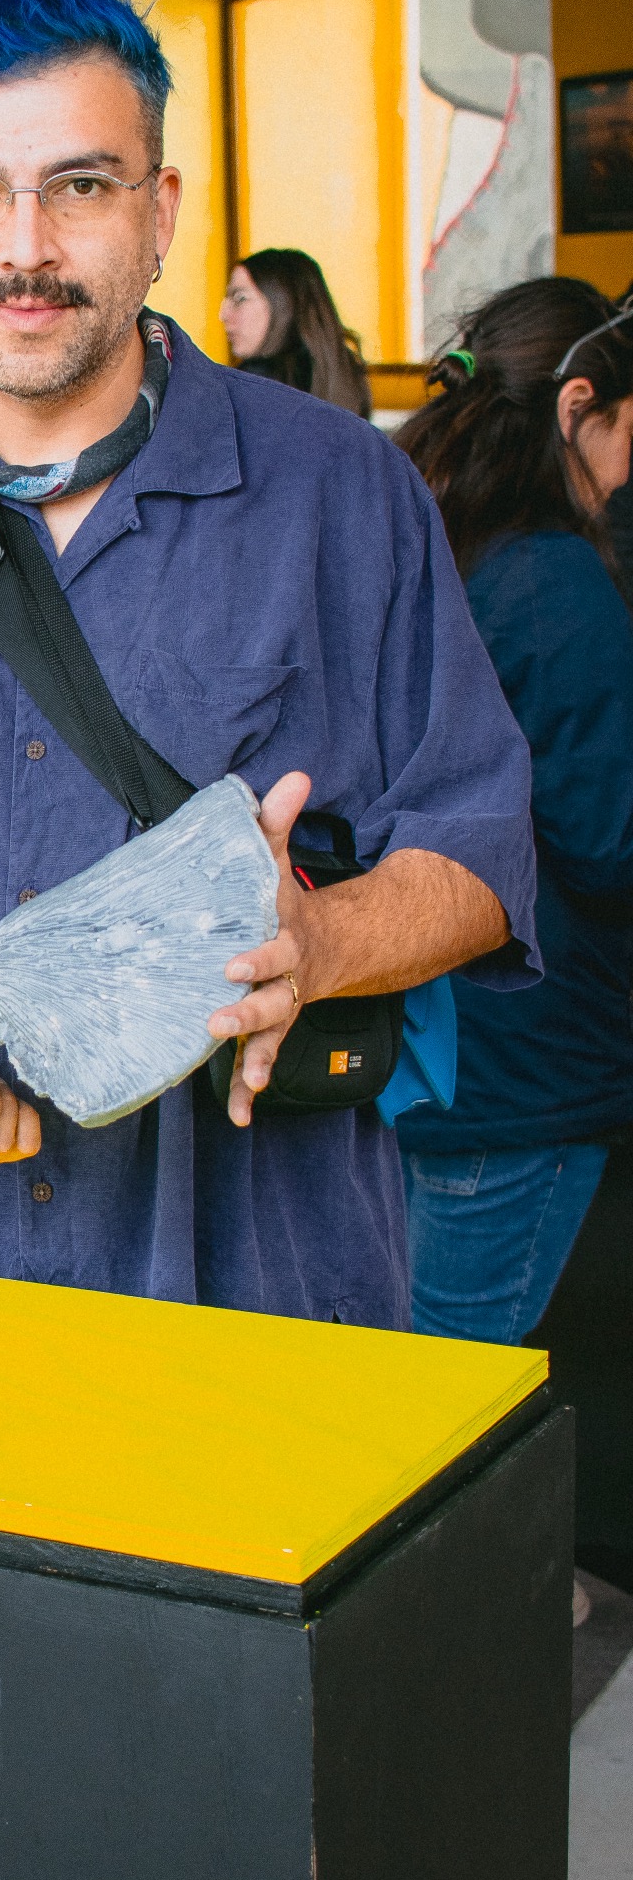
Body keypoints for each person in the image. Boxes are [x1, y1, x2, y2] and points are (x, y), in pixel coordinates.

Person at [0, 0, 538, 1325]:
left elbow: (479, 846)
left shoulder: (342, 494)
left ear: (159, 211)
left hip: (275, 1287)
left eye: (80, 186)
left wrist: (322, 942)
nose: (23, 247)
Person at [394, 279, 633, 1340]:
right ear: (579, 406)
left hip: (419, 1047)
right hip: (521, 1059)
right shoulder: (550, 579)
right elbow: (608, 843)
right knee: (443, 1383)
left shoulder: (429, 542)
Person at [218, 246, 372, 417]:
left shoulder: (253, 384)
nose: (223, 315)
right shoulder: (345, 376)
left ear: (283, 304)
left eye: (240, 298)